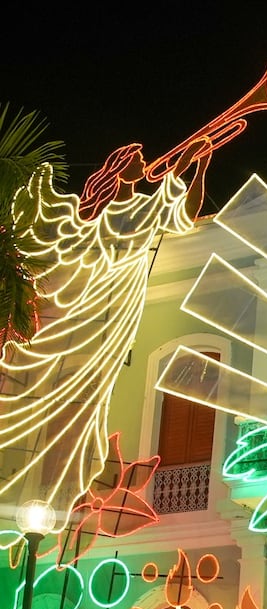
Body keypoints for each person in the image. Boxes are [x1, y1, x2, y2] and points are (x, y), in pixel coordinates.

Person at [1, 137, 211, 530]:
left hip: (117, 321)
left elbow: (184, 213)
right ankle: (52, 498)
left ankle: (69, 489)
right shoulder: (113, 216)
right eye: (137, 159)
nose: (146, 161)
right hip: (95, 318)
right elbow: (129, 236)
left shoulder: (140, 208)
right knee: (72, 402)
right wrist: (178, 173)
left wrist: (197, 168)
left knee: (89, 405)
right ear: (119, 169)